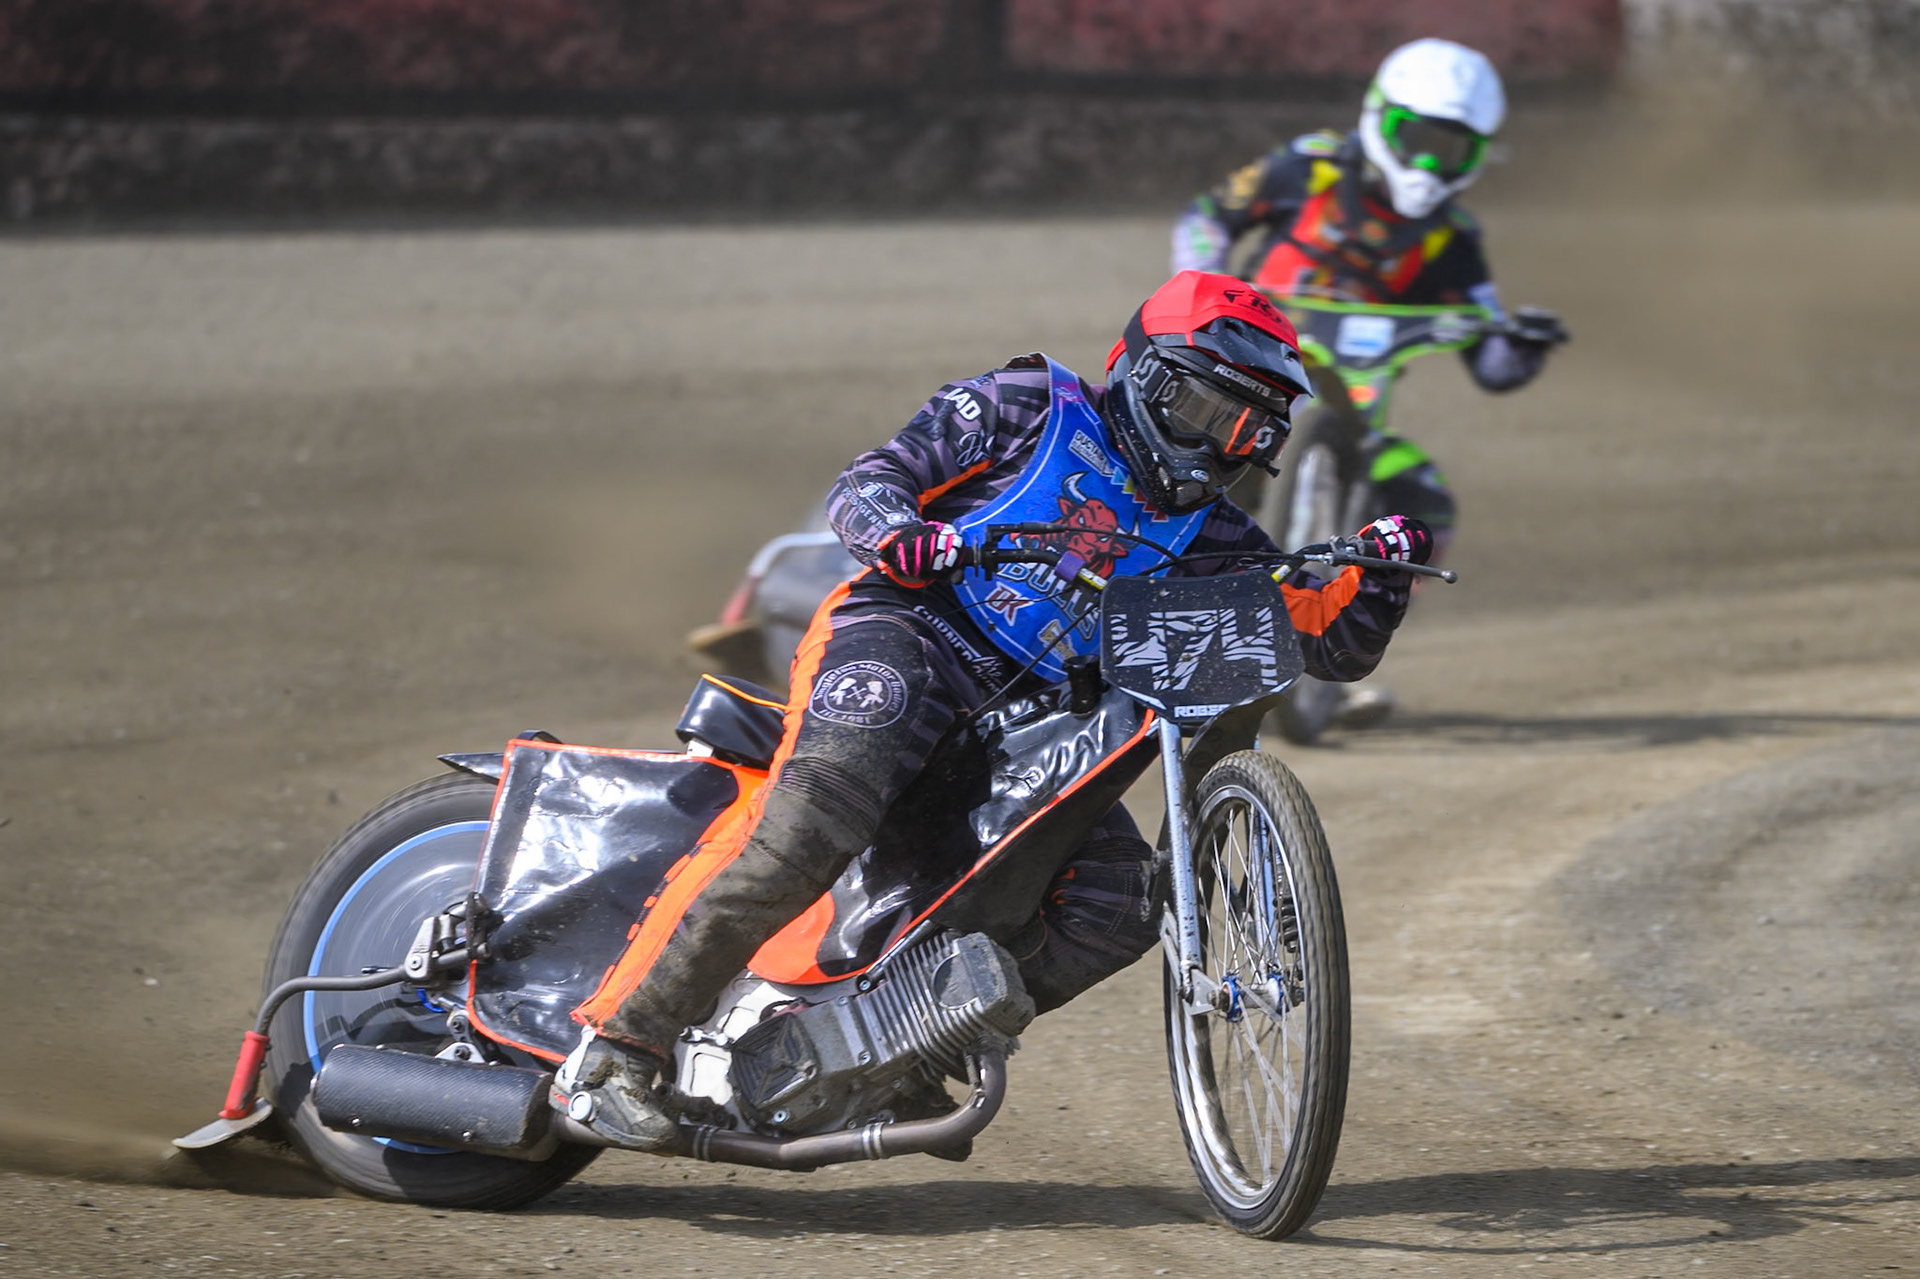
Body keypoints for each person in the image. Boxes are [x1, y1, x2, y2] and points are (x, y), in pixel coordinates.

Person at [558, 271, 1433, 1151]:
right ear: (1145, 378)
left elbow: (1327, 647)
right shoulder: (1026, 407)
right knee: (809, 830)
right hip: (908, 635)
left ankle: (899, 1046)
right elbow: (870, 483)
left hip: (1031, 722)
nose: (1221, 450)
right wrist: (900, 530)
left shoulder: (1221, 542)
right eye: (1208, 414)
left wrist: (1382, 577)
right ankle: (615, 1050)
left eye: (1250, 431)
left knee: (1119, 904)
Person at [1171, 40, 1559, 731]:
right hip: (1240, 381)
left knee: (1424, 508)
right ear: (1381, 117)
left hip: (1362, 424)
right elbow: (1208, 218)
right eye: (1420, 139)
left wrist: (1522, 345)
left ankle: (1340, 661)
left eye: (1455, 149)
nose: (1431, 164)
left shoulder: (1455, 237)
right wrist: (1203, 285)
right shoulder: (1309, 166)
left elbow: (1494, 363)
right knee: (1182, 474)